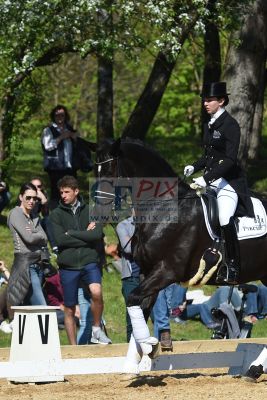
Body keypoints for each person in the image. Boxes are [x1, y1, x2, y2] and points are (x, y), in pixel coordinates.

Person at [184, 81, 254, 284]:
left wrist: (205, 178)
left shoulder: (231, 125)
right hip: (212, 180)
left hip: (229, 182)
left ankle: (233, 265)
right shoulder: (210, 123)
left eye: (210, 100)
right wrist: (194, 166)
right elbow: (210, 156)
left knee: (224, 217)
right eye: (204, 100)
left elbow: (230, 160)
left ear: (221, 101)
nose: (206, 103)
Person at [49, 175, 111, 345]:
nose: (63, 195)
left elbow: (97, 235)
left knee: (97, 292)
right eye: (61, 192)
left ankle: (96, 331)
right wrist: (86, 235)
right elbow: (60, 240)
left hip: (89, 261)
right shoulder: (55, 214)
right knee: (69, 308)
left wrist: (73, 233)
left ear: (76, 191)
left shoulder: (92, 210)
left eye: (66, 192)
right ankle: (73, 348)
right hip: (68, 266)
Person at [6, 183, 48, 320]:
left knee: (31, 310)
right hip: (25, 265)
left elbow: (45, 238)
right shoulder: (15, 213)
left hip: (39, 264)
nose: (31, 201)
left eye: (34, 198)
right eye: (28, 197)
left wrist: (36, 233)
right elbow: (29, 238)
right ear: (20, 197)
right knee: (42, 308)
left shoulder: (34, 216)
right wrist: (37, 234)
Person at [41, 105, 78, 207]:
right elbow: (48, 146)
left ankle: (71, 215)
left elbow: (77, 145)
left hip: (70, 167)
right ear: (53, 116)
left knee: (71, 193)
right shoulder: (48, 130)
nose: (60, 117)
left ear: (66, 116)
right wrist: (61, 137)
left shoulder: (70, 128)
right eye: (57, 115)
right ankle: (56, 216)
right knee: (57, 194)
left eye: (62, 114)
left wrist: (74, 137)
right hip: (55, 168)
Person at [116, 213, 140, 343]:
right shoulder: (123, 225)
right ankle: (130, 348)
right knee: (132, 318)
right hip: (131, 277)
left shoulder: (153, 223)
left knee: (156, 315)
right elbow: (129, 248)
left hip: (150, 277)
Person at [31, 177, 58, 254]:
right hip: (27, 222)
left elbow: (45, 214)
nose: (36, 188)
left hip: (37, 221)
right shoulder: (25, 196)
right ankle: (43, 248)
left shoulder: (42, 195)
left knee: (47, 219)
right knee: (37, 218)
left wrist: (43, 200)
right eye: (34, 186)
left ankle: (55, 247)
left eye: (39, 186)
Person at [0, 261, 12, 334]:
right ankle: (1, 322)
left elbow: (13, 282)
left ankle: (13, 320)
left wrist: (3, 268)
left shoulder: (1, 276)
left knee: (11, 287)